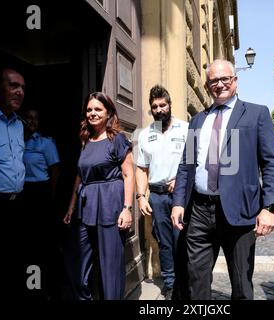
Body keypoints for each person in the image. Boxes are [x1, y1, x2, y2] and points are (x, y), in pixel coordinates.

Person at [171, 59, 274, 300]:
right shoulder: (197, 120)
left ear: (235, 80)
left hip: (240, 211)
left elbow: (271, 163)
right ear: (207, 85)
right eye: (213, 81)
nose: (219, 84)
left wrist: (270, 207)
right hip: (199, 210)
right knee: (195, 281)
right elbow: (186, 165)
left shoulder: (256, 114)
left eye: (225, 79)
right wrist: (179, 202)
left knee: (241, 284)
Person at [63, 92, 134, 300]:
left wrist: (127, 209)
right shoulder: (86, 139)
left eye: (97, 109)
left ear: (108, 112)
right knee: (76, 262)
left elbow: (129, 174)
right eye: (89, 110)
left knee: (110, 266)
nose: (92, 113)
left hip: (110, 204)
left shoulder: (118, 139)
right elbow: (79, 176)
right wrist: (70, 207)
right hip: (85, 207)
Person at [135, 85, 188, 300]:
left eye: (162, 105)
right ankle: (170, 284)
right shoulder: (146, 135)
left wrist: (181, 178)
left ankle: (186, 283)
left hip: (180, 196)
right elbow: (141, 168)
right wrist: (140, 196)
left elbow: (194, 161)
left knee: (182, 240)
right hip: (156, 196)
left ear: (169, 105)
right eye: (154, 106)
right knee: (164, 242)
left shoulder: (186, 129)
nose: (159, 109)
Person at [0, 67, 26, 299]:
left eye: (22, 87)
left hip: (18, 203)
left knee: (15, 261)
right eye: (13, 85)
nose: (20, 92)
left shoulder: (18, 124)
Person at [20, 108, 61, 299]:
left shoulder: (45, 143)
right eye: (28, 117)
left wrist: (50, 197)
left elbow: (55, 172)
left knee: (41, 244)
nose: (32, 121)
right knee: (25, 243)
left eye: (36, 118)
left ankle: (42, 288)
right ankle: (29, 286)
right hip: (20, 194)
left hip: (41, 194)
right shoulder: (16, 140)